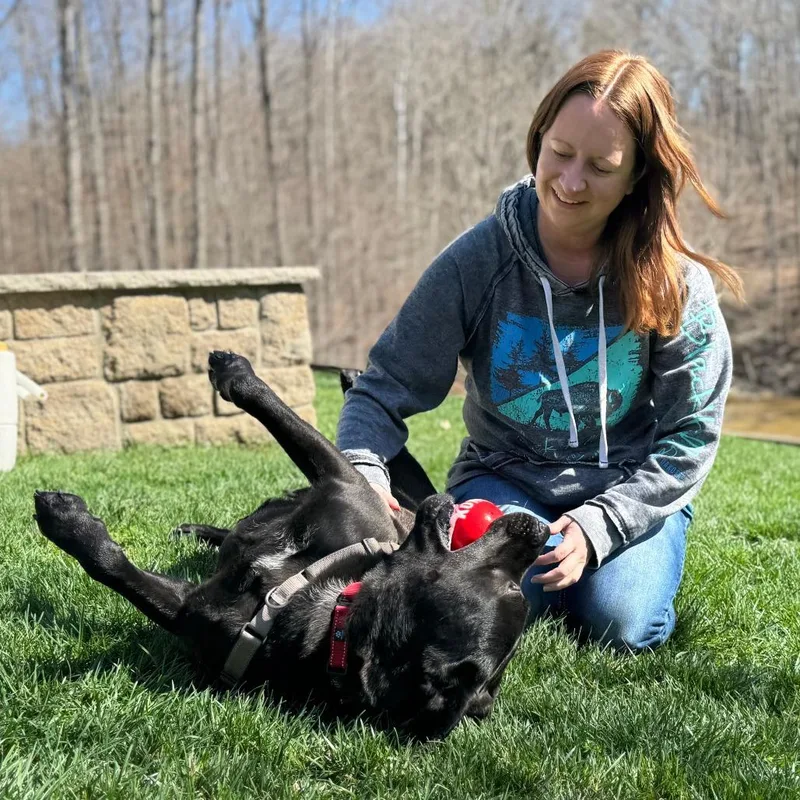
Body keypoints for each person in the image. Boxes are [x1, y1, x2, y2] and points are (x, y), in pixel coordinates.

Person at [335, 50, 743, 652]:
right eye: (560, 153)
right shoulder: (477, 261)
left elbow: (690, 437)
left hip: (626, 484)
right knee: (475, 607)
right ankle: (548, 581)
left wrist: (603, 525)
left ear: (636, 176)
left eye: (601, 167)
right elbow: (381, 389)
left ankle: (602, 571)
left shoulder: (675, 284)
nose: (571, 182)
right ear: (538, 140)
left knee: (622, 625)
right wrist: (365, 475)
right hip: (506, 479)